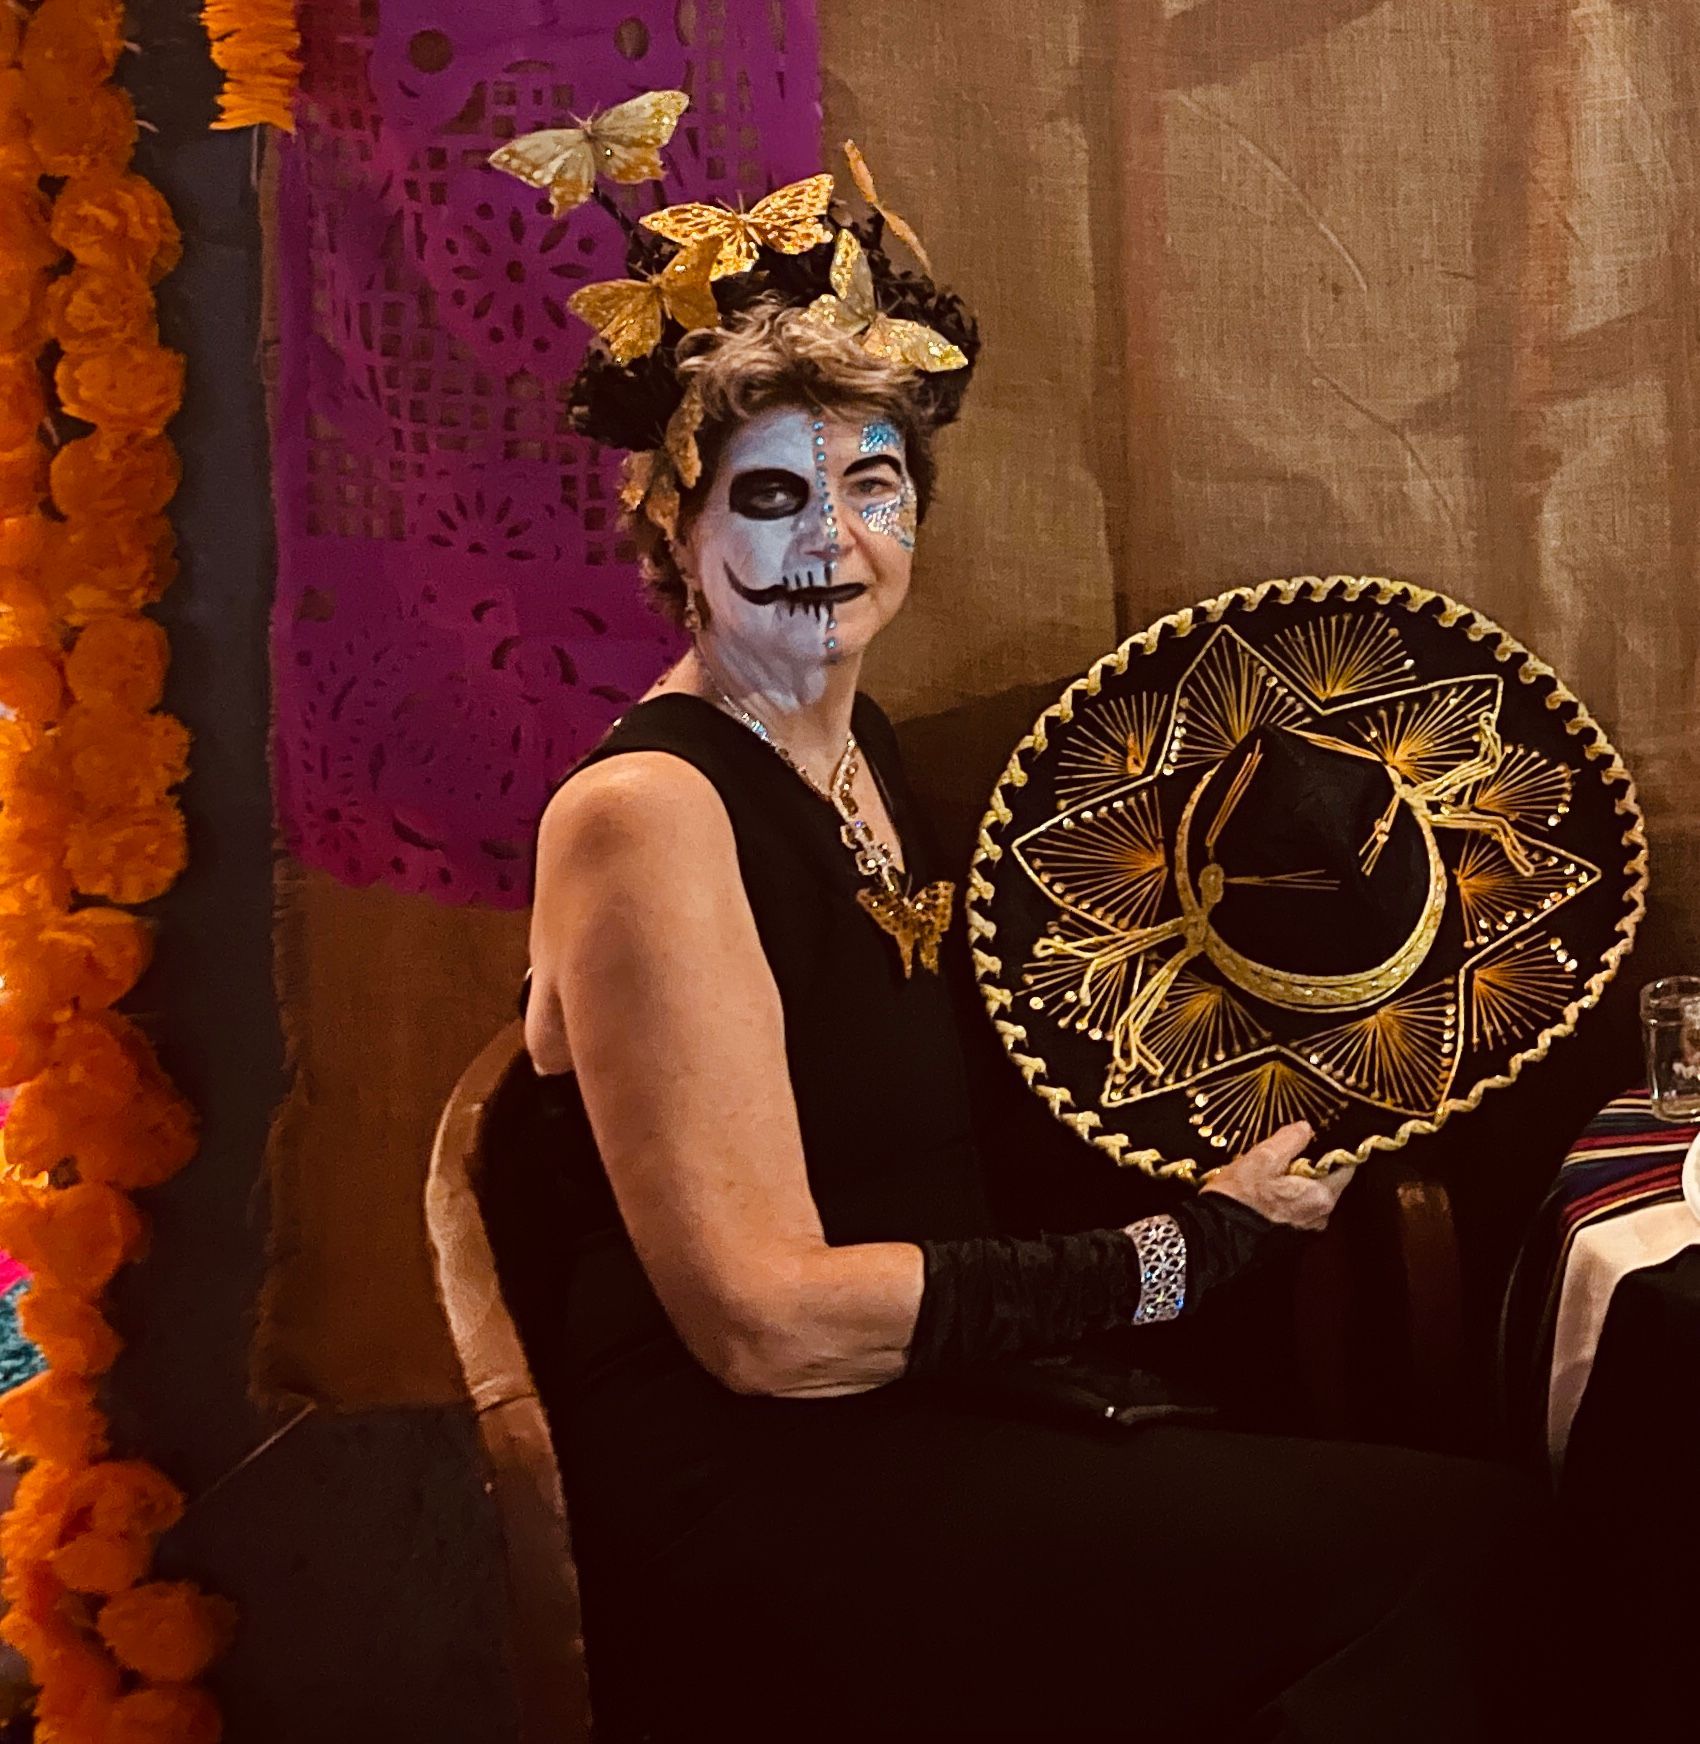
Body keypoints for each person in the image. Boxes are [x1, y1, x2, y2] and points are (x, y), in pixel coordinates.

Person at [486, 157, 1561, 1743]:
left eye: (871, 484)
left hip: (925, 1417)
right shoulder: (647, 811)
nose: (829, 541)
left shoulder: (852, 754)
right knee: (1480, 1558)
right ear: (675, 525)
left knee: (1477, 1498)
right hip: (774, 1493)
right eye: (769, 493)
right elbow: (766, 1324)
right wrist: (1181, 1254)